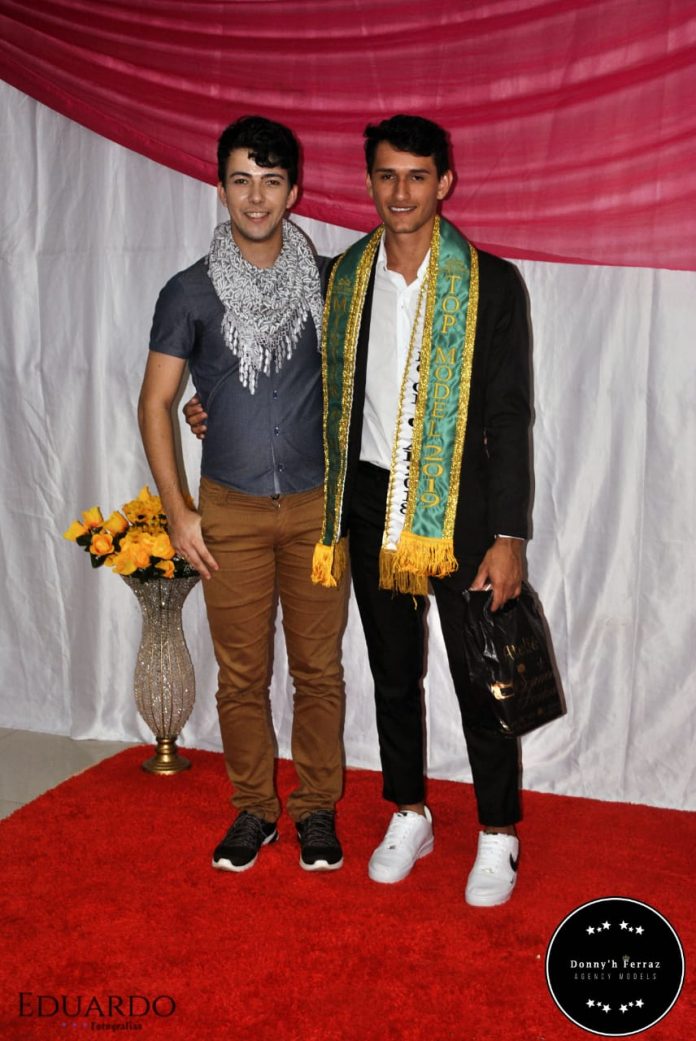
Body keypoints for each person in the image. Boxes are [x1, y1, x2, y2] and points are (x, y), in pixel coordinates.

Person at [311, 115, 532, 906]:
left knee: (483, 675)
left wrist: (509, 534)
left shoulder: (492, 283)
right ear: (369, 181)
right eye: (386, 175)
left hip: (461, 508)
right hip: (371, 500)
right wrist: (213, 409)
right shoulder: (343, 279)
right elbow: (309, 385)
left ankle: (499, 829)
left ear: (445, 183)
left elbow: (509, 415)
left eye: (416, 175)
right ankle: (410, 810)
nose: (400, 191)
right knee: (393, 671)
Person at [138, 116, 346, 875]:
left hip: (319, 510)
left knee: (318, 671)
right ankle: (255, 807)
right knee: (242, 674)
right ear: (221, 188)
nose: (256, 198)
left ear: (294, 191)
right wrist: (178, 509)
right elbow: (156, 402)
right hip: (227, 509)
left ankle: (317, 808)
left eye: (270, 181)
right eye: (241, 180)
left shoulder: (332, 283)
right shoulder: (189, 291)